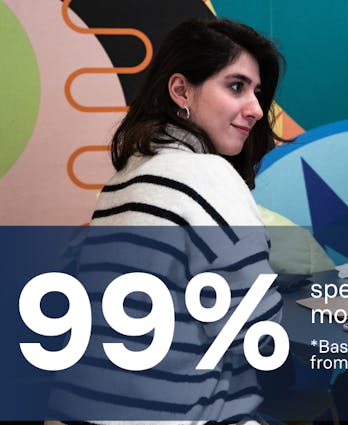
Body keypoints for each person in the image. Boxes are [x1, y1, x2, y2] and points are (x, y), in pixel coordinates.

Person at [52, 18, 285, 423]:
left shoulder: (124, 179)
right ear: (181, 90)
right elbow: (257, 339)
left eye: (257, 93)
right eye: (236, 86)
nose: (255, 109)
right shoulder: (206, 175)